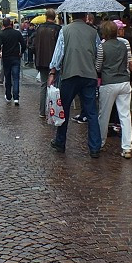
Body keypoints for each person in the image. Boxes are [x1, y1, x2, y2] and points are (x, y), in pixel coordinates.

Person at [48, 12, 102, 157]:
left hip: (70, 75)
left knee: (64, 110)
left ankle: (60, 142)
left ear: (72, 16)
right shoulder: (93, 32)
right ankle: (95, 147)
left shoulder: (65, 30)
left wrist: (53, 72)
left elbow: (58, 54)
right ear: (85, 16)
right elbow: (99, 53)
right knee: (91, 112)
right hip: (89, 75)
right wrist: (96, 70)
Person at [96, 20, 132, 159]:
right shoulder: (123, 44)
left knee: (104, 115)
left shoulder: (102, 46)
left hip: (109, 82)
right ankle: (127, 147)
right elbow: (127, 62)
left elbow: (98, 66)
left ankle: (100, 143)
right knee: (125, 115)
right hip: (124, 81)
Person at [33, 9, 61, 118]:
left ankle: (42, 111)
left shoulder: (39, 28)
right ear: (54, 17)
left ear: (45, 16)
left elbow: (33, 44)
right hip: (54, 61)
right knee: (55, 86)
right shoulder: (57, 29)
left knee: (44, 85)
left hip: (41, 60)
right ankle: (54, 110)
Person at [0, 17, 25, 105]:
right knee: (16, 78)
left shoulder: (2, 34)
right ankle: (16, 98)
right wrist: (21, 52)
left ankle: (8, 96)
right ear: (11, 23)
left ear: (3, 25)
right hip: (16, 57)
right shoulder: (17, 33)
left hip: (6, 58)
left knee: (7, 78)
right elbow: (23, 45)